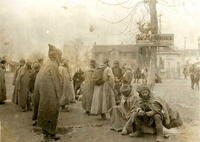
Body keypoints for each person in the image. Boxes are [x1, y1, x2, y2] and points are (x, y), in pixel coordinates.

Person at [32, 44, 62, 141]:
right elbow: (57, 81)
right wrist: (59, 96)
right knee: (52, 112)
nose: (60, 58)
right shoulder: (53, 66)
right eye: (59, 56)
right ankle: (47, 136)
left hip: (44, 94)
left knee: (46, 112)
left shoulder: (45, 65)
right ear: (56, 56)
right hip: (50, 94)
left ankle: (50, 134)